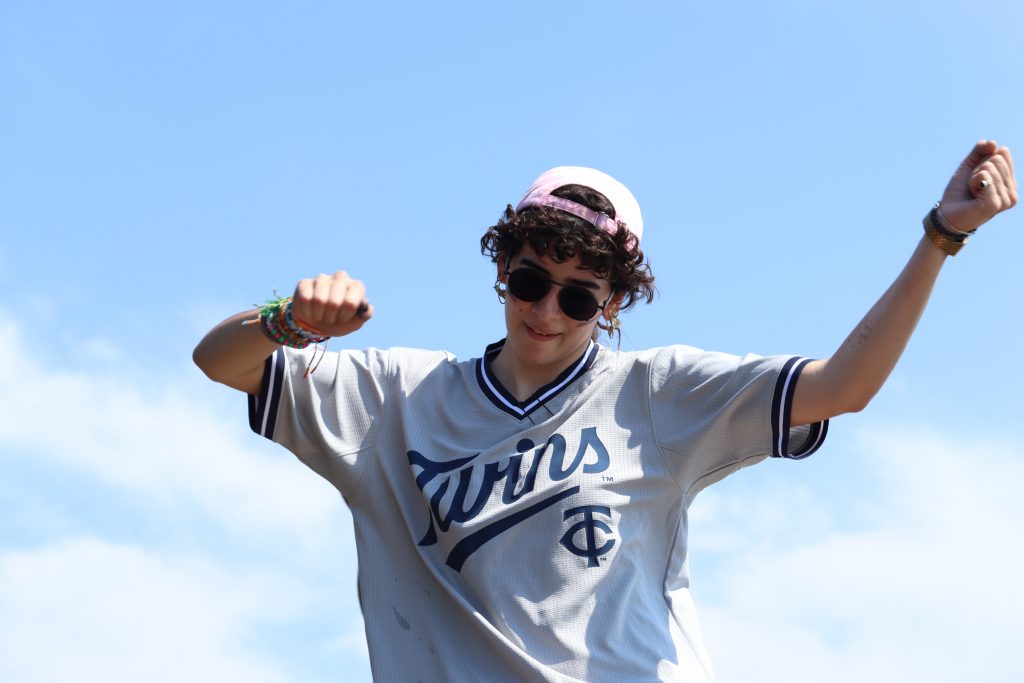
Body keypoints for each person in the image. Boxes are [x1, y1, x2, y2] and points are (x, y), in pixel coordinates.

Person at [193, 141, 1016, 682]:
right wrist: (288, 322)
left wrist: (940, 236)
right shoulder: (396, 399)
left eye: (579, 294)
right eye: (528, 280)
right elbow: (218, 363)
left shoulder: (657, 396)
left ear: (614, 303)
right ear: (501, 267)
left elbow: (844, 384)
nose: (547, 308)